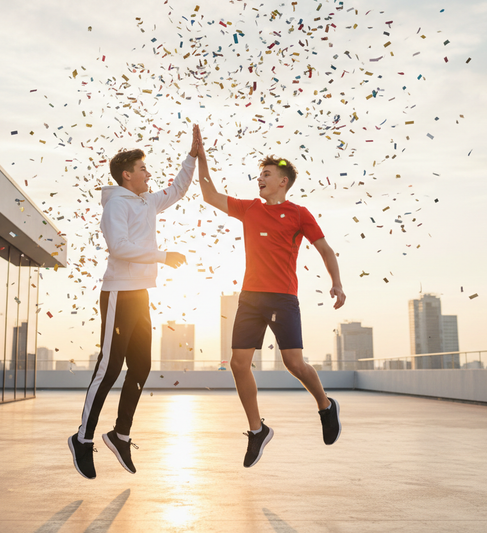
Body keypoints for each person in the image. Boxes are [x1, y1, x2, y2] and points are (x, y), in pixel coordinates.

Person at [196, 139, 346, 468]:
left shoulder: (299, 214)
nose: (259, 179)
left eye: (266, 174)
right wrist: (201, 159)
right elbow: (209, 195)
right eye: (258, 175)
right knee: (238, 364)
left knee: (294, 364)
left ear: (283, 181)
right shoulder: (249, 208)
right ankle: (257, 429)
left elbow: (326, 250)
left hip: (283, 297)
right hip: (250, 297)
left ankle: (324, 405)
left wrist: (336, 283)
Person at [68, 125, 202, 479]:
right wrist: (162, 255)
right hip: (118, 294)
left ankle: (120, 434)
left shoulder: (146, 201)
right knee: (108, 369)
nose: (148, 173)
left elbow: (177, 189)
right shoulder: (116, 205)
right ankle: (82, 438)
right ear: (127, 175)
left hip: (140, 295)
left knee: (141, 367)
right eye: (143, 168)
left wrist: (193, 156)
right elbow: (119, 248)